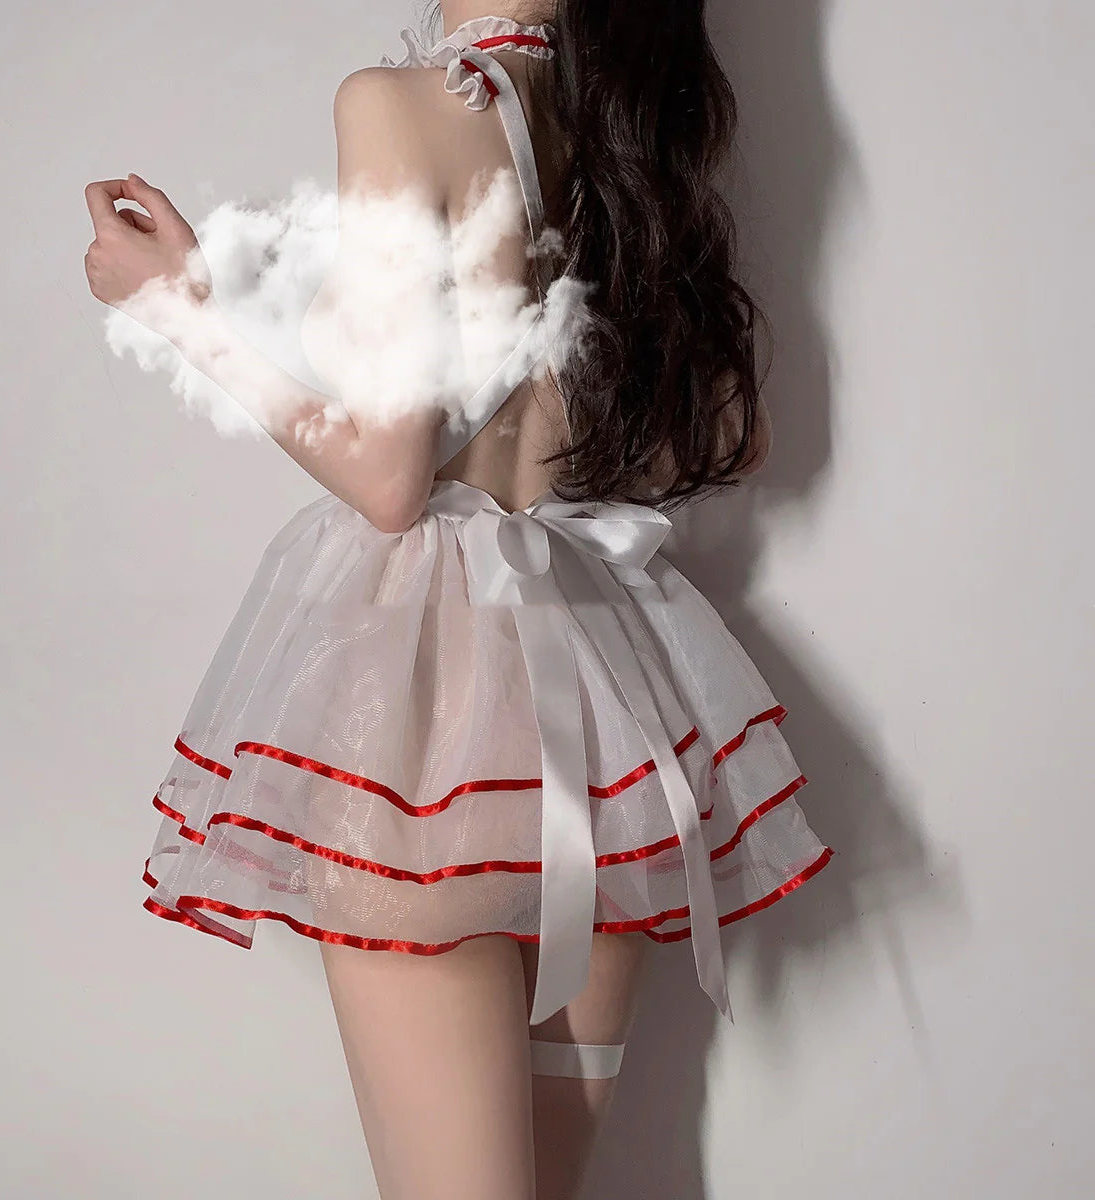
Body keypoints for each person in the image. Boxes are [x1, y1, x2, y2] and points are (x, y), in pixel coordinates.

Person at [83, 3, 834, 1196]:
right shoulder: (622, 125)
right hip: (605, 690)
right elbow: (720, 436)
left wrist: (173, 309)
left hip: (430, 714)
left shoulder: (395, 105)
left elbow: (390, 479)